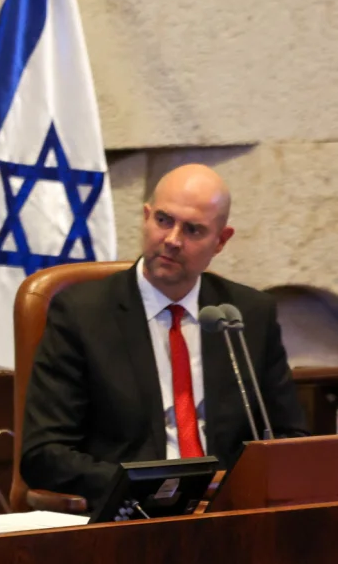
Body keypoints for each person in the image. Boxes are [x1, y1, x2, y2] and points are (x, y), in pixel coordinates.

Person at [20, 164, 307, 505]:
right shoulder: (82, 314)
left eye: (193, 230)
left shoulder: (245, 315)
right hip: (132, 512)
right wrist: (152, 486)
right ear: (146, 217)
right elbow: (44, 454)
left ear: (221, 241)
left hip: (229, 510)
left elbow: (290, 438)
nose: (172, 240)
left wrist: (238, 485)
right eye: (163, 220)